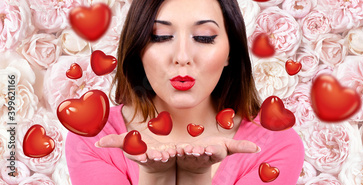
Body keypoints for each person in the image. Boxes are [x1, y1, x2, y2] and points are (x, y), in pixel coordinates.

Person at [65, 0, 305, 184]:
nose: (182, 57)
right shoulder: (94, 138)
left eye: (204, 37)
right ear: (138, 48)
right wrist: (154, 177)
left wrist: (194, 175)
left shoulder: (276, 145)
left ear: (231, 52)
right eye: (160, 37)